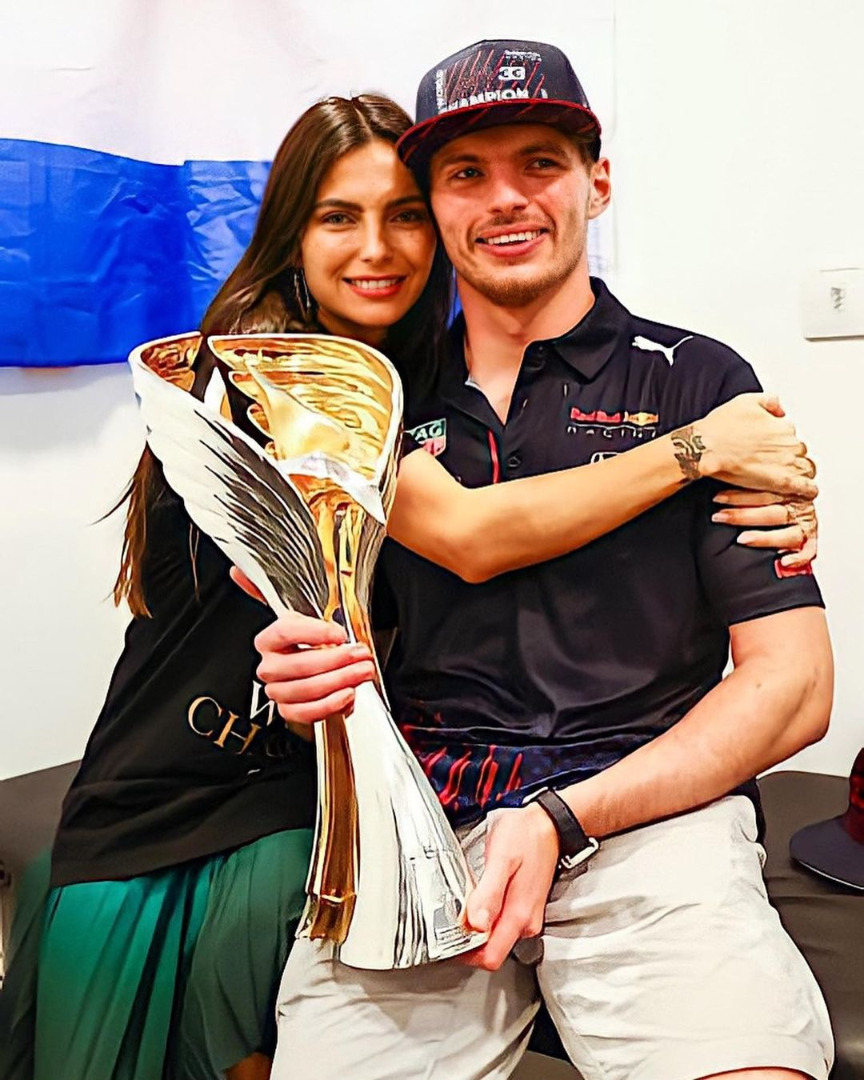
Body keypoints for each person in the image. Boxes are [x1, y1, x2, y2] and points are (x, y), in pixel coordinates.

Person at [0, 91, 811, 1080]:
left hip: (331, 782)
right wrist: (698, 449)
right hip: (193, 778)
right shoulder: (291, 375)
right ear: (290, 235)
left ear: (597, 184)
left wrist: (742, 462)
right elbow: (470, 539)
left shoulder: (444, 374)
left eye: (404, 214)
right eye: (339, 217)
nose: (377, 248)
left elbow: (788, 674)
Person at [254, 41, 835, 1080]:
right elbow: (366, 624)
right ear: (434, 208)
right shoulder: (371, 402)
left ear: (596, 182)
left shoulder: (699, 381)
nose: (505, 198)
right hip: (423, 830)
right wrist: (306, 684)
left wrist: (566, 817)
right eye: (466, 174)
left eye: (539, 162)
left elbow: (793, 687)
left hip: (651, 821)